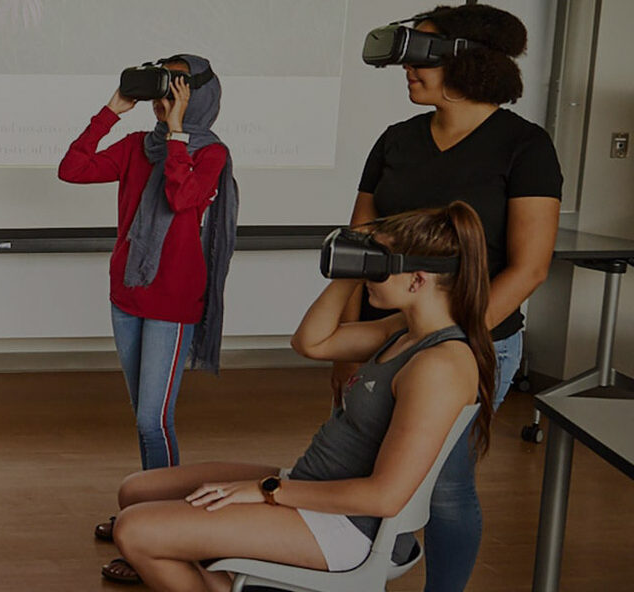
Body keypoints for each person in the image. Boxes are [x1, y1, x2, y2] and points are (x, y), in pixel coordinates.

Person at [98, 203, 496, 590]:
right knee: (136, 491)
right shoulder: (404, 331)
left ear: (417, 279)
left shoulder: (439, 365)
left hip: (346, 527)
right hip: (311, 484)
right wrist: (350, 272)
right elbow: (312, 342)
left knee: (135, 531)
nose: (368, 271)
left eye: (378, 263)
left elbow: (385, 496)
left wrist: (267, 492)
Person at [339, 5, 562, 589]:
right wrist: (346, 349)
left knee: (445, 484)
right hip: (386, 340)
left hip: (474, 344)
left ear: (469, 62)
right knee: (369, 466)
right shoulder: (394, 140)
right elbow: (358, 252)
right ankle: (364, 571)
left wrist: (448, 343)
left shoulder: (525, 146)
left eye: (420, 58)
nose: (407, 71)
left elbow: (530, 267)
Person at [59, 54, 239, 541]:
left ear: (198, 95)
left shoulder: (211, 154)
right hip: (127, 294)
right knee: (146, 419)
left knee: (151, 418)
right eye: (162, 89)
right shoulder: (138, 145)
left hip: (174, 301)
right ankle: (152, 511)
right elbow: (72, 169)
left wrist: (177, 134)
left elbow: (183, 199)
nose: (164, 100)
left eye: (176, 89)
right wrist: (112, 109)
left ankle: (161, 521)